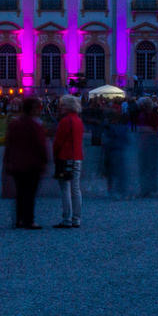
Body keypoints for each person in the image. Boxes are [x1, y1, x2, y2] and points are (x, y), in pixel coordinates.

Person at [3, 97, 50, 229]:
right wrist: (44, 162)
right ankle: (29, 221)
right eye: (38, 108)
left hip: (17, 163)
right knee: (29, 193)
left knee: (20, 192)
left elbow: (9, 143)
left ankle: (18, 220)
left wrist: (8, 161)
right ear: (33, 109)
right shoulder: (36, 125)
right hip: (32, 164)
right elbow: (41, 145)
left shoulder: (14, 124)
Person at [51, 94, 85, 227]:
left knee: (65, 189)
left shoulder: (65, 121)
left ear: (68, 107)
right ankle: (76, 219)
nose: (60, 108)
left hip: (65, 158)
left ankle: (67, 219)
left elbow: (58, 141)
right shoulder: (78, 120)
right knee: (76, 189)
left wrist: (54, 154)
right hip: (77, 157)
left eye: (62, 105)